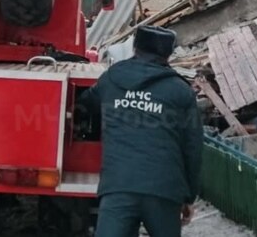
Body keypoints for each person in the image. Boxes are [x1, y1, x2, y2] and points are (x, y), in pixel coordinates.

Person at [84, 26, 201, 237]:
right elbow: (193, 148)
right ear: (168, 55)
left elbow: (86, 104)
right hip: (164, 191)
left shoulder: (111, 79)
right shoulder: (180, 90)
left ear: (135, 48)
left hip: (118, 187)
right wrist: (189, 197)